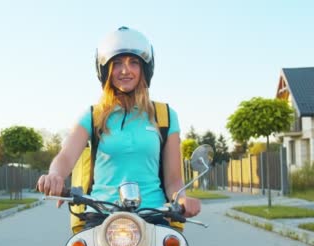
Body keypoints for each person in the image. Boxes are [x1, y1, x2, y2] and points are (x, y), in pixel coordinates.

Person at [37, 26, 201, 219]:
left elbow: (174, 180)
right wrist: (55, 175)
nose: (125, 70)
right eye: (117, 63)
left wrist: (181, 198)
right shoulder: (93, 116)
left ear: (144, 69)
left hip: (153, 214)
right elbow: (65, 157)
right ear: (106, 70)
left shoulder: (165, 116)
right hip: (101, 214)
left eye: (134, 63)